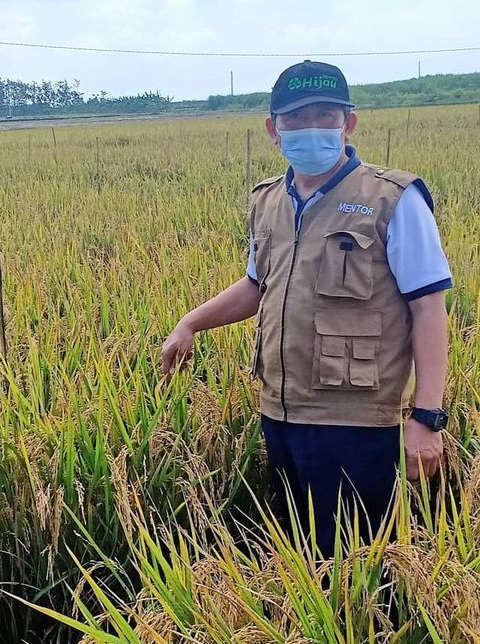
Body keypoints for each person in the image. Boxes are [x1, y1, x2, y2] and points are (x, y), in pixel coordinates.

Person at [160, 60, 452, 556]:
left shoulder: (392, 199)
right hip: (280, 411)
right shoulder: (268, 200)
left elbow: (428, 306)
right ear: (273, 130)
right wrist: (191, 322)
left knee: (359, 561)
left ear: (348, 123)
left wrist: (426, 416)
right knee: (301, 551)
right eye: (295, 118)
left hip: (357, 417)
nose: (310, 127)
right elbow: (256, 286)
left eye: (325, 115)